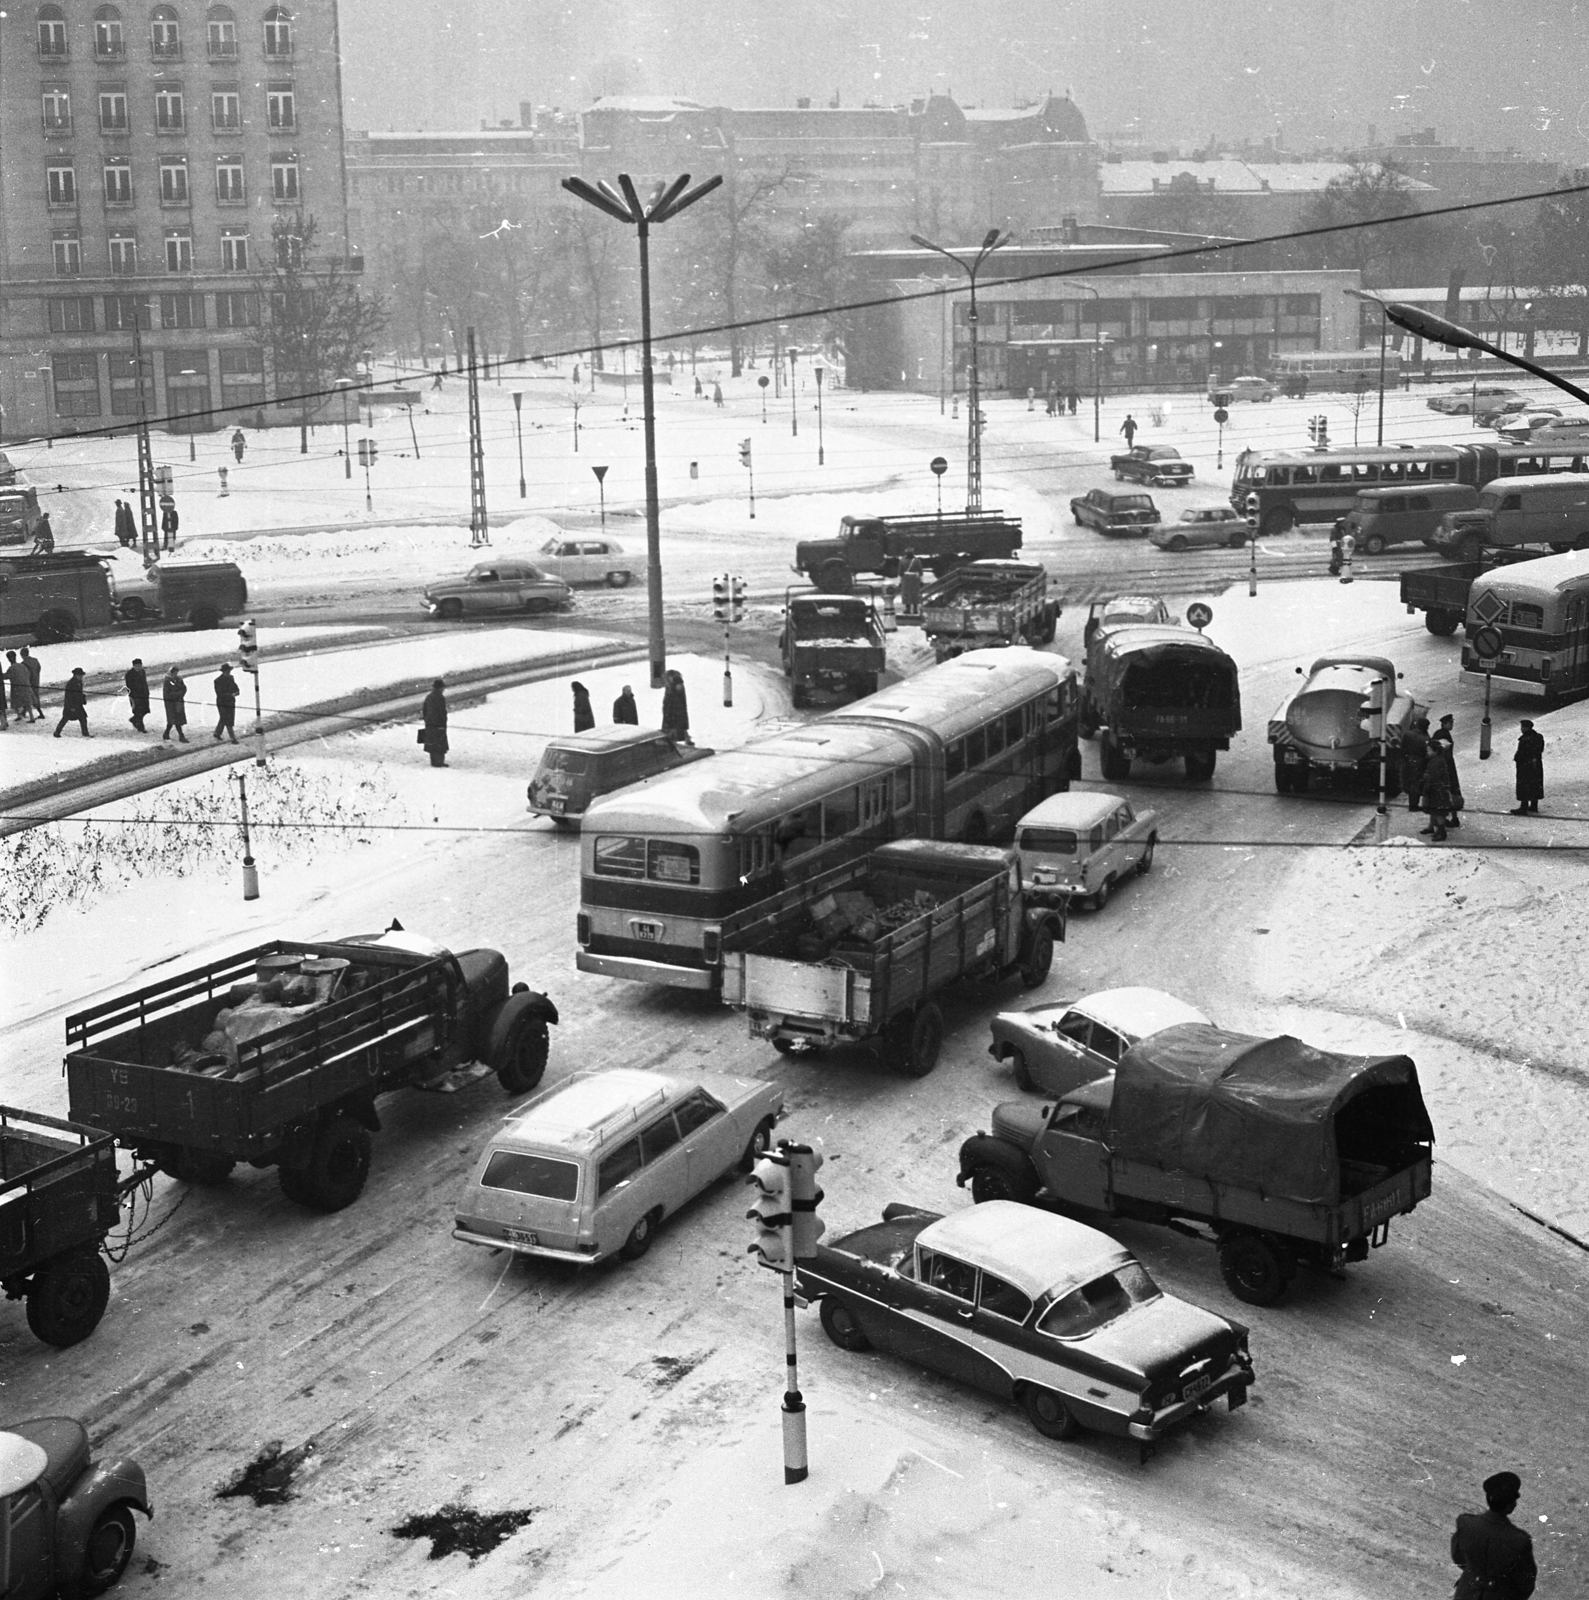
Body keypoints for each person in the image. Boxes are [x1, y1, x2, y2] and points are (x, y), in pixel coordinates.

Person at [1450, 1471, 1536, 1599]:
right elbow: (1526, 1583)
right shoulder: (1519, 1541)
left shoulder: (1466, 1524)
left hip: (1467, 1593)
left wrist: (1477, 1571)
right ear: (1511, 1505)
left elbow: (1458, 1557)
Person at [1431, 712, 1463, 825]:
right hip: (1446, 766)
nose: (1452, 725)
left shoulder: (1442, 733)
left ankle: (1448, 818)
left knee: (1449, 791)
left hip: (1446, 765)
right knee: (1451, 790)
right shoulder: (1442, 734)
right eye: (1450, 723)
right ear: (1444, 724)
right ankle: (1451, 818)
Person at [1419, 743, 1452, 841]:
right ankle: (1438, 831)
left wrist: (1425, 788)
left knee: (1438, 812)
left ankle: (1441, 833)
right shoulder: (1437, 760)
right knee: (1435, 811)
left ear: (1435, 751)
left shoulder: (1436, 762)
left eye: (1429, 750)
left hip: (1437, 790)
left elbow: (1433, 777)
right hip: (1438, 789)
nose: (1427, 752)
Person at [1511, 719, 1544, 815]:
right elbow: (1539, 750)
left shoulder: (1525, 739)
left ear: (1526, 728)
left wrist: (1518, 759)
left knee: (1524, 785)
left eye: (1522, 727)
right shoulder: (1538, 737)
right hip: (1536, 765)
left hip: (1525, 766)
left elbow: (1522, 753)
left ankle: (1523, 807)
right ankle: (1534, 805)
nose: (1521, 729)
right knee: (1535, 784)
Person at [53, 666, 91, 738]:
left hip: (77, 705)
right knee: (65, 719)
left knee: (83, 718)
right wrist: (71, 706)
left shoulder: (78, 682)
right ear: (76, 675)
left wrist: (82, 698)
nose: (81, 677)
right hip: (71, 705)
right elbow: (69, 696)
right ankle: (57, 732)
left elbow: (78, 693)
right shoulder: (72, 683)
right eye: (80, 675)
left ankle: (85, 733)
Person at [1401, 715, 1429, 813]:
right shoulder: (1425, 738)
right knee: (1416, 784)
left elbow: (1403, 748)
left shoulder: (1407, 734)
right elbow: (1426, 752)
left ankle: (1412, 803)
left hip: (1408, 761)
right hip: (1419, 763)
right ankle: (1413, 805)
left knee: (1409, 782)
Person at [420, 677, 448, 767]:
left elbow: (424, 710)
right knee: (440, 743)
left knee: (432, 743)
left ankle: (434, 761)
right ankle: (439, 762)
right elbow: (442, 712)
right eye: (443, 687)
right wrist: (443, 722)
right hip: (438, 724)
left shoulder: (429, 696)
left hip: (430, 724)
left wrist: (426, 720)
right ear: (440, 688)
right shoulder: (440, 697)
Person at [212, 662, 239, 743]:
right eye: (227, 671)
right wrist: (231, 695)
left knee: (224, 718)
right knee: (228, 719)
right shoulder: (218, 681)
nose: (229, 672)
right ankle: (232, 738)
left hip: (231, 702)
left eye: (229, 671)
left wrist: (236, 692)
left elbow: (236, 688)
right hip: (222, 703)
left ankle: (217, 733)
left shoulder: (231, 678)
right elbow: (220, 693)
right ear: (223, 671)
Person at [661, 669, 690, 743]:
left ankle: (674, 740)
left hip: (675, 708)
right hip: (672, 708)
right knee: (676, 725)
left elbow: (674, 696)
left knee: (674, 725)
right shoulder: (671, 684)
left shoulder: (676, 683)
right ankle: (684, 738)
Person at [161, 665, 189, 742]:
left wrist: (181, 694)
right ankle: (181, 736)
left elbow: (184, 688)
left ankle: (166, 733)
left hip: (179, 703)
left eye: (176, 673)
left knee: (174, 720)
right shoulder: (167, 681)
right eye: (174, 673)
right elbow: (167, 694)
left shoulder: (179, 679)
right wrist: (177, 694)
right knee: (176, 720)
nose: (175, 674)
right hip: (171, 704)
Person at [7, 650, 34, 724]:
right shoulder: (22, 666)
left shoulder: (11, 668)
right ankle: (31, 717)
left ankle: (19, 715)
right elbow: (28, 673)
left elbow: (7, 676)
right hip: (24, 685)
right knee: (27, 702)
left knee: (15, 701)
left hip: (16, 687)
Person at [125, 657, 150, 732]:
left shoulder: (142, 672)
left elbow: (145, 683)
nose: (138, 668)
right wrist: (134, 695)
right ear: (133, 666)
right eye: (136, 666)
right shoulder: (129, 674)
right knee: (138, 711)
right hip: (135, 696)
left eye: (139, 666)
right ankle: (141, 727)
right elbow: (129, 686)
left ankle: (134, 720)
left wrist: (147, 692)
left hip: (144, 695)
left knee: (145, 710)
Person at [899, 550, 924, 615]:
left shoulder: (902, 561)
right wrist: (921, 581)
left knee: (906, 593)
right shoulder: (917, 561)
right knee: (915, 593)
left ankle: (908, 609)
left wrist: (900, 582)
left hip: (906, 579)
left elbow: (900, 573)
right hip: (915, 578)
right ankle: (915, 609)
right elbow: (920, 572)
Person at [21, 646, 42, 720]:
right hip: (36, 680)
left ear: (22, 655)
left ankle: (40, 713)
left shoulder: (23, 663)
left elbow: (25, 673)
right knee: (35, 696)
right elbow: (39, 668)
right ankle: (24, 711)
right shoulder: (35, 660)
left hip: (29, 682)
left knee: (29, 697)